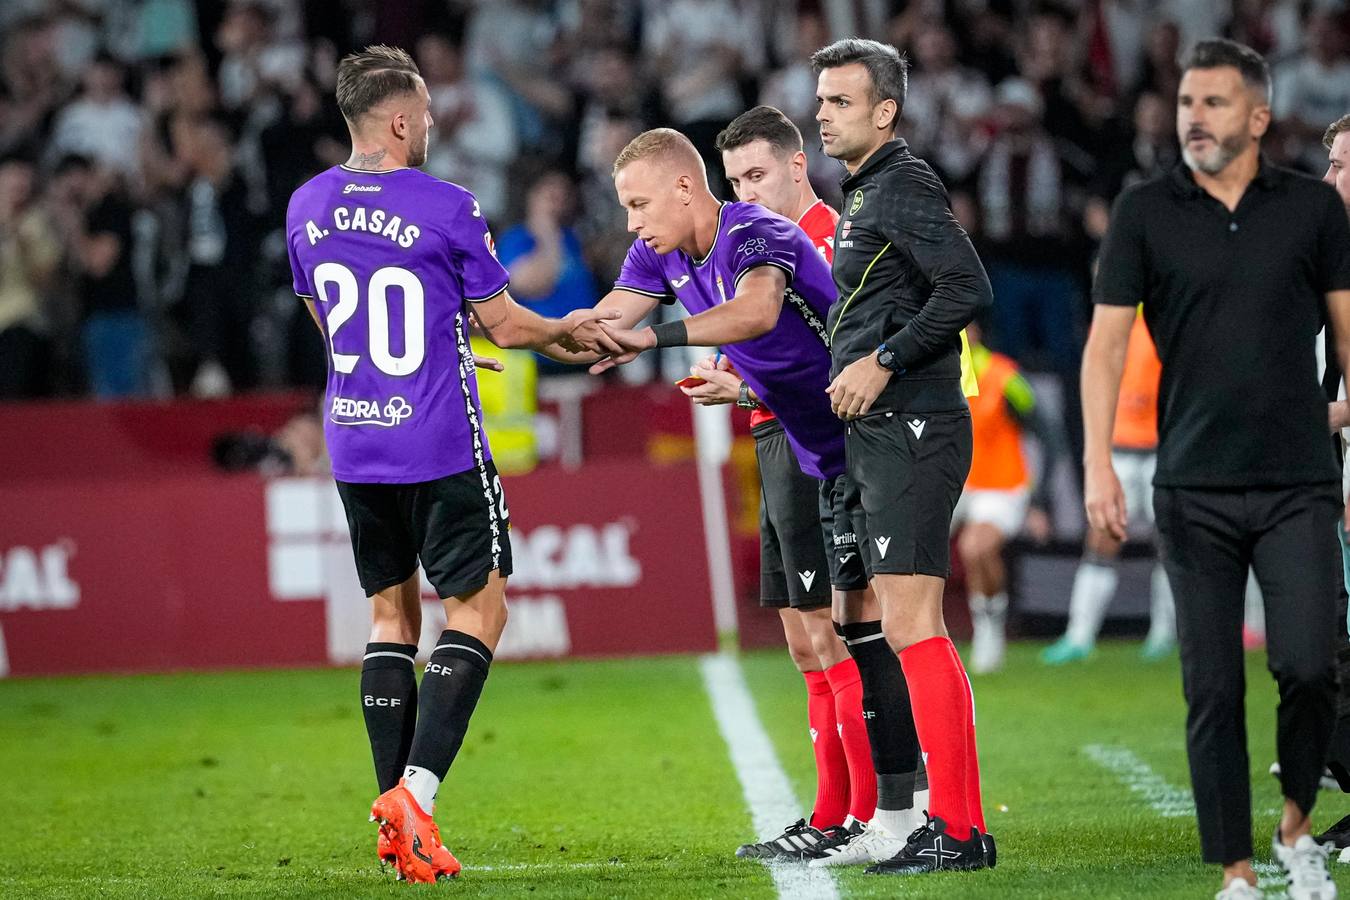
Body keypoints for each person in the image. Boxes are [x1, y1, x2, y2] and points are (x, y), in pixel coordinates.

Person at [546, 123, 933, 865]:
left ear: (686, 189)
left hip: (860, 439)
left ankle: (882, 810)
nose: (630, 222)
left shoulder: (755, 232)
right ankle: (853, 814)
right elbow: (603, 326)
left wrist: (656, 340)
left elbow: (756, 312)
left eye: (638, 204)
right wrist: (495, 325)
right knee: (813, 637)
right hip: (807, 444)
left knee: (852, 631)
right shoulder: (656, 252)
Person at [284, 44, 617, 884]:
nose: (431, 124)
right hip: (435, 441)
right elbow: (506, 324)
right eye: (426, 113)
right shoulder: (445, 204)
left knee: (391, 619)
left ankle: (398, 821)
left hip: (356, 436)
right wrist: (567, 327)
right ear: (399, 120)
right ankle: (418, 795)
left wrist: (442, 342)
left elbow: (332, 321)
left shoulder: (305, 204)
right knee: (479, 610)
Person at [1086, 39, 1350, 899]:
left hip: (1300, 483)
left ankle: (1297, 823)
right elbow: (1106, 348)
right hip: (1192, 484)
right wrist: (1098, 463)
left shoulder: (1314, 211)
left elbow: (1348, 341)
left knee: (1310, 666)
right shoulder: (1142, 211)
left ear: (1260, 117)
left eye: (1214, 102)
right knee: (1212, 687)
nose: (1193, 116)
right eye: (1188, 101)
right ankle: (1236, 869)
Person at [811, 37, 994, 875]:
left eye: (840, 101)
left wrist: (883, 363)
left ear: (885, 111)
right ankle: (951, 823)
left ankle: (960, 830)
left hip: (917, 423)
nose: (823, 114)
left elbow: (968, 286)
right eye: (820, 100)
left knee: (915, 624)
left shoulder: (902, 184)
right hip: (888, 430)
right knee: (906, 621)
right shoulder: (865, 194)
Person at [707, 105, 883, 862]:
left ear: (794, 162)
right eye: (733, 181)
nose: (744, 193)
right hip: (769, 440)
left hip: (818, 444)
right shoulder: (749, 246)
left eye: (755, 174)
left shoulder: (833, 240)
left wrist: (743, 390)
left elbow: (835, 368)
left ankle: (862, 815)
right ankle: (828, 809)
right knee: (803, 641)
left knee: (839, 632)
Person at [1043, 307, 1176, 665]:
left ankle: (1164, 635)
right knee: (1102, 536)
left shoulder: (1166, 319)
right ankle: (1080, 636)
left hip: (1160, 448)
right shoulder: (1107, 323)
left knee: (1171, 542)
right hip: (1118, 448)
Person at [955, 321, 1061, 675]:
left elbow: (1047, 433)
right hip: (957, 485)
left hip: (1001, 485)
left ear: (975, 333)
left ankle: (989, 629)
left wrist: (1039, 501)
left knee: (976, 548)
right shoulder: (938, 374)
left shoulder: (1004, 376)